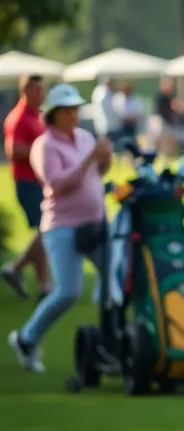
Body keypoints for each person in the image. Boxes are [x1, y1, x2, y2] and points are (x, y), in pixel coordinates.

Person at [8, 83, 112, 372]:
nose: (73, 115)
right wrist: (92, 159)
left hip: (95, 223)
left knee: (118, 279)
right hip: (62, 226)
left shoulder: (83, 137)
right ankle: (27, 339)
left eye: (75, 110)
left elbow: (97, 173)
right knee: (67, 292)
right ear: (53, 114)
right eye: (67, 110)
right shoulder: (45, 145)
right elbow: (58, 184)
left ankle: (113, 342)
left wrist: (104, 159)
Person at [2, 75, 51, 300]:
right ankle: (16, 267)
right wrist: (41, 147)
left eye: (43, 90)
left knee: (42, 232)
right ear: (26, 91)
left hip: (40, 181)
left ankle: (44, 285)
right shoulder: (19, 118)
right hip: (27, 182)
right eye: (38, 90)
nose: (42, 94)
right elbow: (13, 150)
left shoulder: (37, 115)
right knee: (46, 229)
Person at [149, 76, 183, 158]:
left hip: (168, 122)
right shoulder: (160, 96)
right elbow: (163, 110)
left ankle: (167, 155)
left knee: (169, 140)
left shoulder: (171, 96)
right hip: (159, 121)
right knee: (157, 140)